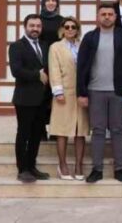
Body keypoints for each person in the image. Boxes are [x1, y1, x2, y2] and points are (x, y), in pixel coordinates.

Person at [76, 3, 122, 183]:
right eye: (103, 14)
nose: (107, 17)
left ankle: (120, 169)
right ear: (98, 17)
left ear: (115, 17)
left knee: (118, 130)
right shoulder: (90, 38)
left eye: (110, 14)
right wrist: (81, 93)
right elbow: (81, 67)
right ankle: (97, 169)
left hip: (118, 91)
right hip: (95, 91)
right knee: (98, 131)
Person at [8, 14, 50, 183]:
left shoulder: (45, 45)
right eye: (32, 25)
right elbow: (16, 71)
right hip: (25, 98)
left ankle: (32, 166)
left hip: (42, 99)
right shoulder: (16, 46)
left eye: (38, 26)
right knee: (24, 134)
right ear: (25, 27)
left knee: (36, 134)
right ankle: (22, 169)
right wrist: (37, 75)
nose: (35, 29)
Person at [48, 15, 89, 180]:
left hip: (81, 93)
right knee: (62, 130)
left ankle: (79, 165)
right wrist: (58, 91)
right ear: (62, 30)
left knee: (80, 131)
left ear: (78, 30)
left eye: (73, 27)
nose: (70, 29)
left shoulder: (83, 45)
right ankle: (63, 165)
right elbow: (54, 69)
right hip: (64, 93)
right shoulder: (55, 47)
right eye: (67, 27)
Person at [36, 0, 64, 141]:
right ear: (43, 2)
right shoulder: (37, 20)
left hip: (58, 63)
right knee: (41, 98)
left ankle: (55, 130)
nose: (51, 3)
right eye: (48, 0)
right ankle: (40, 130)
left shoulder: (62, 21)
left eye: (54, 0)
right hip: (41, 63)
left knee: (56, 97)